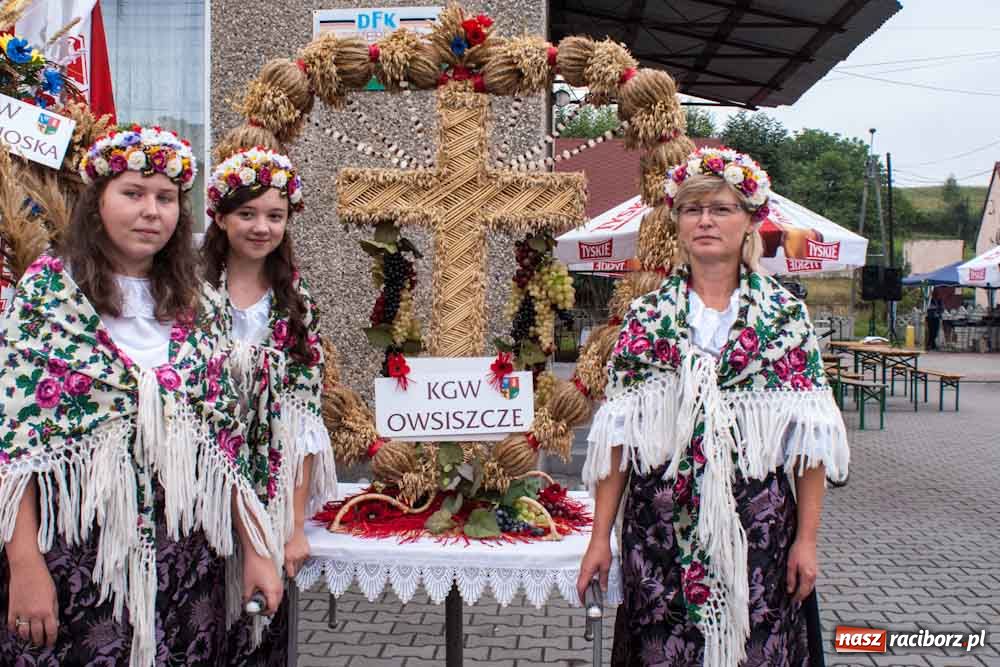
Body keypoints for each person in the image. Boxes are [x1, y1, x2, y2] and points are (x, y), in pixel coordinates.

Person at [0, 126, 284, 666]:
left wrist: (257, 551)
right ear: (98, 203)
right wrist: (25, 565)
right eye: (133, 193)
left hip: (186, 563)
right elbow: (14, 450)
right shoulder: (48, 297)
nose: (151, 211)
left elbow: (226, 444)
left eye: (166, 198)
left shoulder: (200, 303)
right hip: (78, 561)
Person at [578, 147, 850, 666]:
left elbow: (809, 446)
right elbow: (617, 442)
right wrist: (600, 540)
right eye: (692, 209)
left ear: (750, 221)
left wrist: (808, 542)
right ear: (677, 222)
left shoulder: (784, 320)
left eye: (721, 208)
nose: (705, 220)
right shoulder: (646, 318)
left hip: (759, 538)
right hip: (657, 539)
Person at [201, 147, 335, 665]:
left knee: (259, 628)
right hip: (200, 490)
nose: (261, 227)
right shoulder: (188, 292)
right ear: (219, 217)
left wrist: (295, 525)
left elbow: (302, 422)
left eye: (274, 216)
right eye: (247, 214)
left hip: (270, 484)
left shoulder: (294, 303)